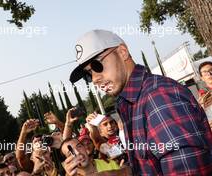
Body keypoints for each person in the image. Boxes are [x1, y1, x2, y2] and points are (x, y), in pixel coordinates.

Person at [69, 29, 212, 175]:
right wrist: (120, 173)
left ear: (122, 52)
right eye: (88, 74)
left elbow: (188, 171)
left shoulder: (157, 97)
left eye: (97, 65)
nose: (94, 79)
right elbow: (150, 166)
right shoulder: (130, 103)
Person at [61, 138, 131, 176]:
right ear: (67, 161)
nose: (77, 152)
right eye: (70, 153)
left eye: (79, 146)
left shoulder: (109, 163)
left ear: (85, 148)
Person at [198, 61, 212, 128]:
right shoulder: (203, 98)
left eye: (211, 70)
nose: (209, 74)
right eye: (205, 72)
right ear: (202, 78)